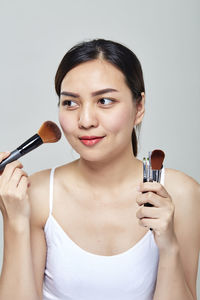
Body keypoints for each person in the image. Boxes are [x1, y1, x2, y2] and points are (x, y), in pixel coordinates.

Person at [0, 39, 199, 300]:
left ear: (139, 107)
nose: (85, 121)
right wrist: (14, 221)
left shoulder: (182, 194)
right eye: (70, 103)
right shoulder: (35, 193)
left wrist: (169, 246)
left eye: (104, 101)